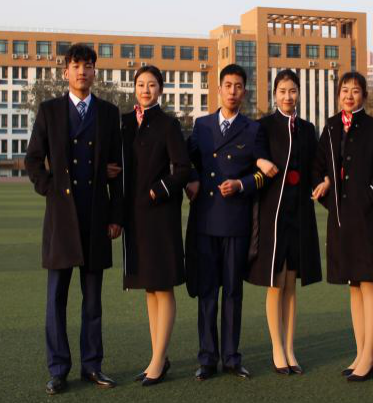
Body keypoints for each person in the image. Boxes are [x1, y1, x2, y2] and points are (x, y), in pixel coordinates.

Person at [24, 43, 123, 395]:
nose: (82, 71)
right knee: (57, 299)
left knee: (93, 300)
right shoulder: (50, 110)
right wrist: (50, 189)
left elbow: (118, 170)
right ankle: (58, 370)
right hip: (61, 219)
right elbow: (33, 160)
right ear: (65, 71)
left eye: (88, 65)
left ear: (95, 71)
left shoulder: (109, 113)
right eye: (76, 65)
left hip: (96, 216)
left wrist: (116, 215)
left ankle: (92, 366)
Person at [184, 64, 272, 381]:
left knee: (233, 293)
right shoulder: (202, 126)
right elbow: (186, 160)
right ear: (219, 89)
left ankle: (232, 358)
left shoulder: (253, 129)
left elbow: (264, 173)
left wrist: (241, 185)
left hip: (236, 221)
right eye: (228, 85)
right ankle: (207, 358)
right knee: (208, 292)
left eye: (238, 86)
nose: (232, 91)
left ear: (244, 92)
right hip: (206, 220)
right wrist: (191, 179)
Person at [313, 72, 373, 382]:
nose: (349, 95)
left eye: (356, 90)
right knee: (354, 286)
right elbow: (318, 167)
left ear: (364, 96)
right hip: (341, 220)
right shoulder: (331, 127)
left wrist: (367, 199)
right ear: (338, 95)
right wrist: (326, 190)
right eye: (344, 90)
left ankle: (369, 356)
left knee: (369, 284)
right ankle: (360, 353)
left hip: (368, 219)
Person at [247, 69, 322, 375]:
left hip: (299, 214)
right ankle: (277, 348)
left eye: (292, 91)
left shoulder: (307, 128)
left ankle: (290, 348)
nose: (288, 96)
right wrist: (259, 160)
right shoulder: (264, 126)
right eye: (282, 91)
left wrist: (324, 181)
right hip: (273, 214)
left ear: (299, 93)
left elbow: (315, 167)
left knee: (291, 284)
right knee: (275, 283)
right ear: (274, 94)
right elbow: (253, 154)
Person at [121, 65, 191, 386]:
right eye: (141, 84)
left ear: (160, 89)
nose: (146, 90)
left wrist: (158, 189)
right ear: (134, 87)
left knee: (163, 286)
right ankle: (157, 357)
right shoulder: (125, 123)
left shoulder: (168, 124)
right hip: (135, 218)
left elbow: (183, 169)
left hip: (160, 216)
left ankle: (158, 361)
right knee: (149, 288)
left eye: (151, 85)